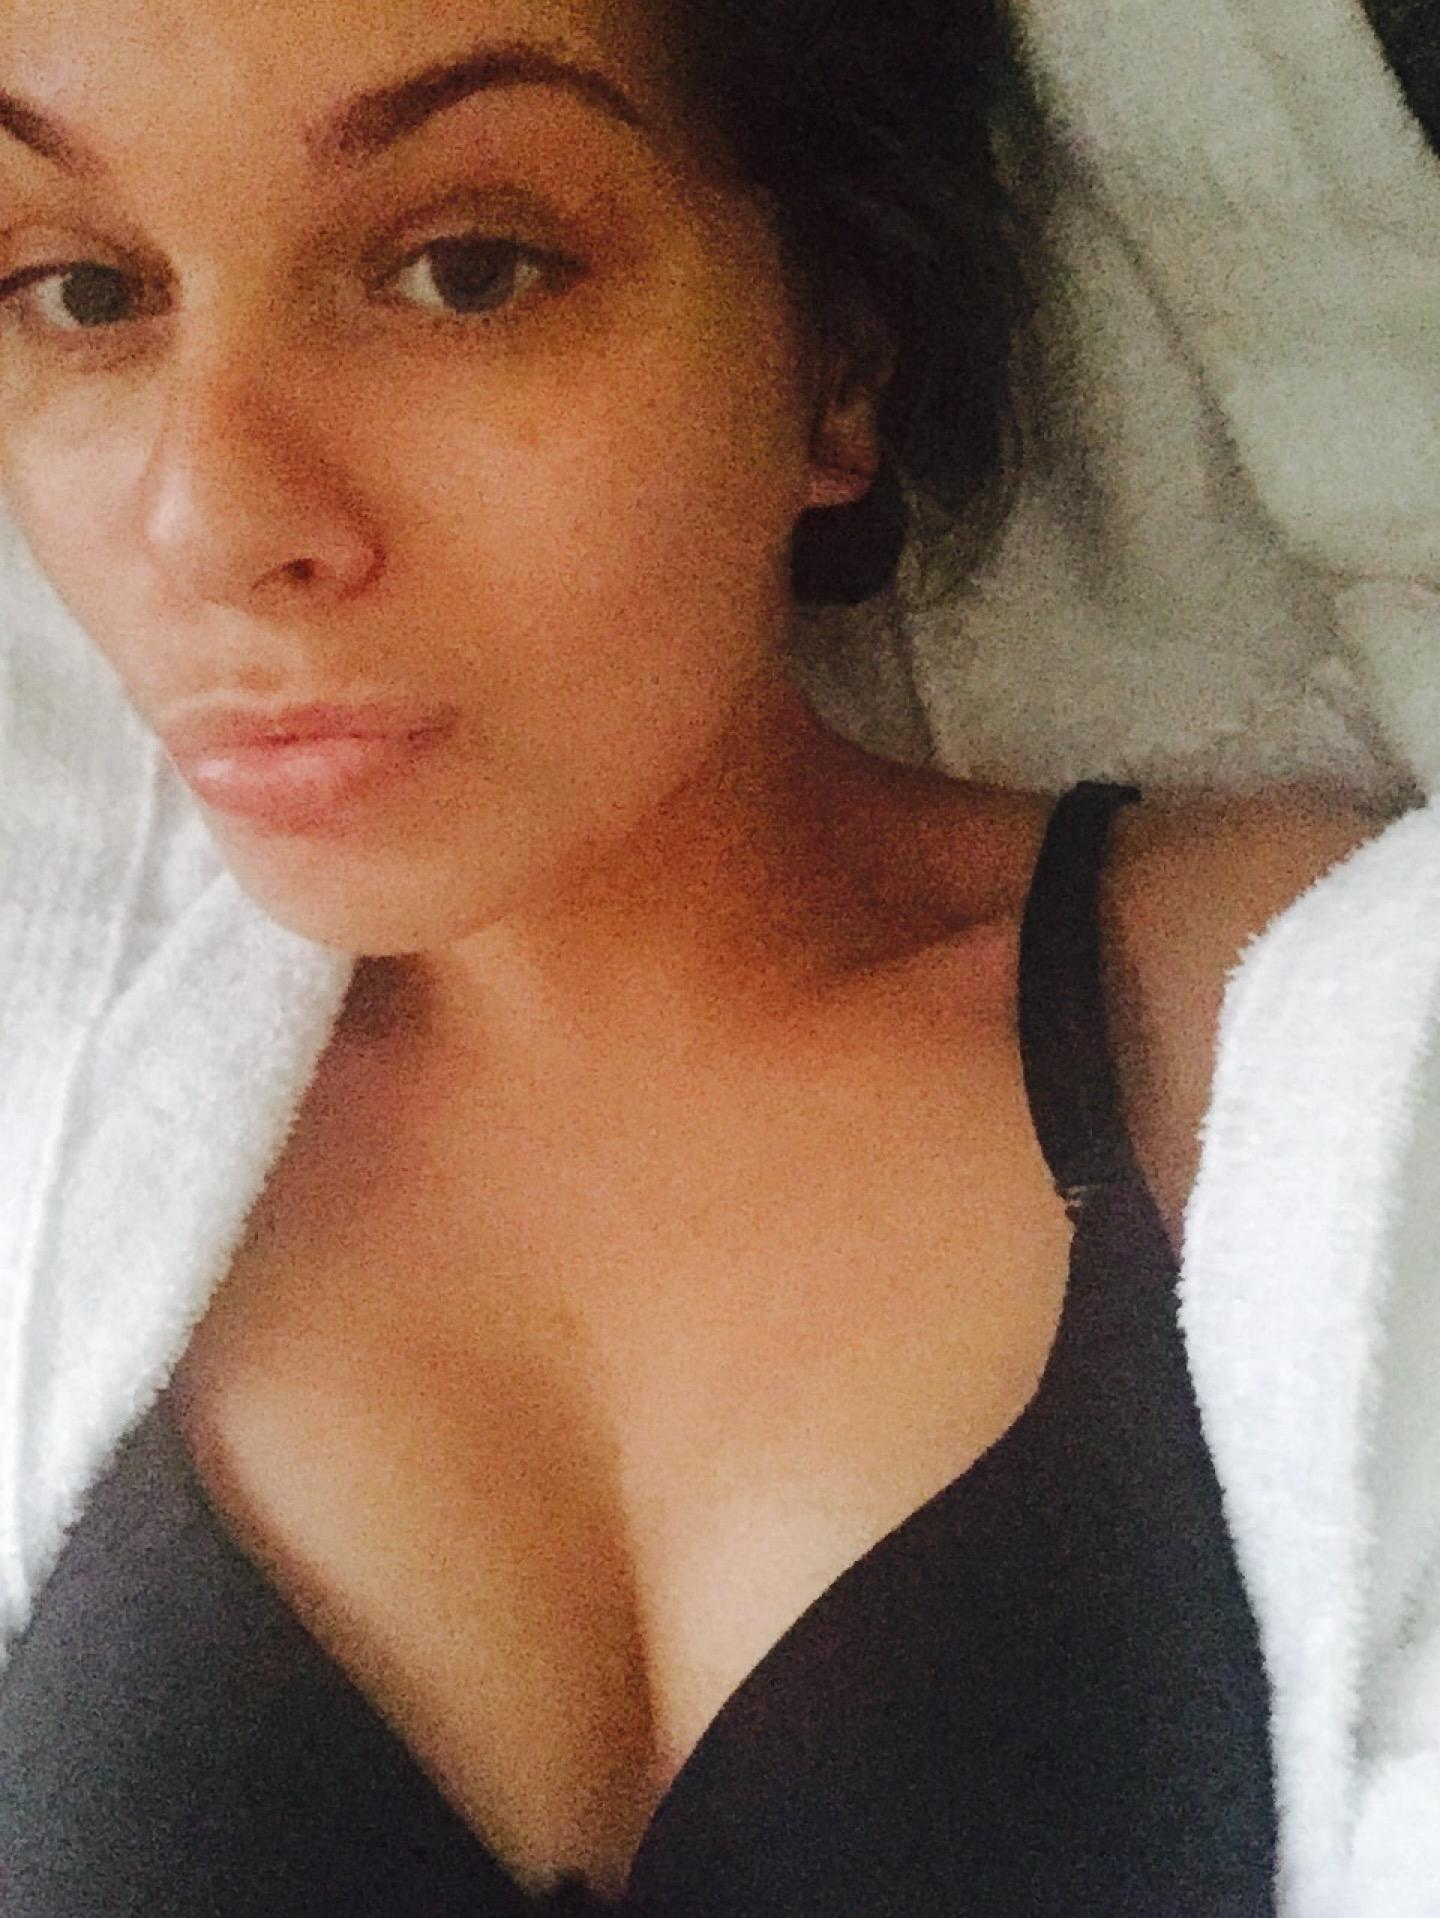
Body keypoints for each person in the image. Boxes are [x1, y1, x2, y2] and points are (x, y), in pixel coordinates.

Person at [0, 0, 1405, 1912]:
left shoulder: (1307, 1038)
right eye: (82, 294)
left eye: (464, 269)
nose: (211, 519)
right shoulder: (51, 1151)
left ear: (841, 355)